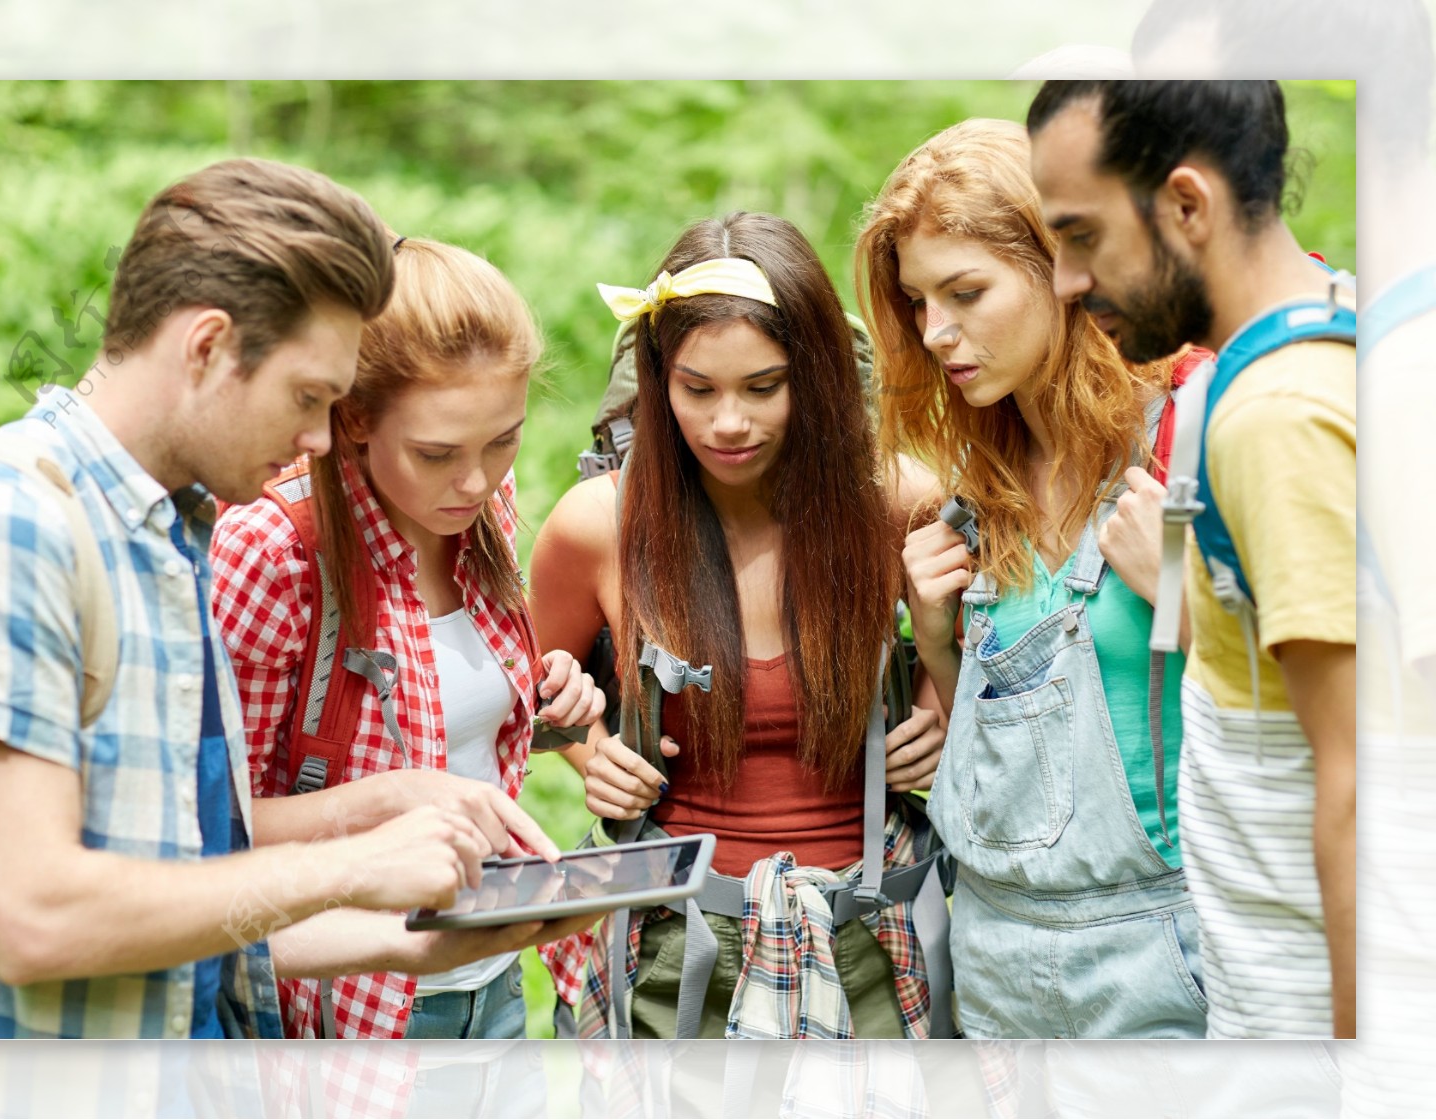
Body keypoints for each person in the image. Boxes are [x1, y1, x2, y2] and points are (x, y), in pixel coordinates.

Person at [0, 158, 589, 1040]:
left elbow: (180, 901)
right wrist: (349, 865)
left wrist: (399, 938)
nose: (320, 439)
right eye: (309, 398)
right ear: (206, 347)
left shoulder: (167, 533)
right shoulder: (3, 518)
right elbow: (35, 920)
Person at [530, 210, 948, 1045]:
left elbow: (977, 655)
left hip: (873, 938)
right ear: (657, 380)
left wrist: (937, 706)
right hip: (671, 953)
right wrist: (590, 750)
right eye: (698, 389)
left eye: (764, 386)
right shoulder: (598, 525)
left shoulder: (897, 503)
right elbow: (530, 691)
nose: (729, 423)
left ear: (820, 377)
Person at [854, 117, 1205, 1038]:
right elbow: (1005, 768)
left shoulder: (1184, 447)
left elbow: (1324, 706)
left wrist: (1185, 595)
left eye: (965, 292)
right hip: (993, 962)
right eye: (918, 303)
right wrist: (937, 640)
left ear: (1063, 266)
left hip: (1161, 961)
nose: (934, 332)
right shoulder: (979, 501)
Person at [210, 235, 603, 1042]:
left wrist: (543, 686)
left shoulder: (475, 508)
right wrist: (393, 800)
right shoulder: (273, 551)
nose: (477, 479)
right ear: (354, 416)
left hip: (489, 977)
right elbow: (212, 826)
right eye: (437, 452)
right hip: (348, 997)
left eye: (505, 439)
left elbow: (446, 705)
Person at [1027, 80, 1356, 1040]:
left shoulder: (1276, 418)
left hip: (1307, 1014)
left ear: (1185, 206)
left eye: (1082, 236)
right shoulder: (1300, 348)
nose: (1065, 282)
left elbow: (1358, 775)